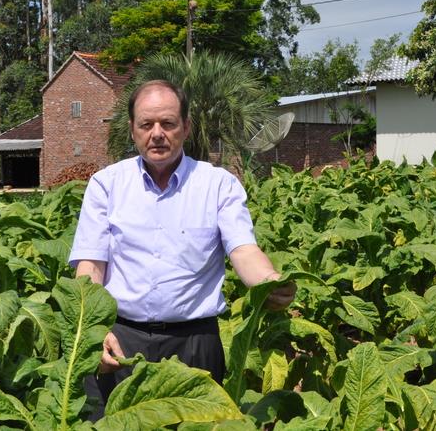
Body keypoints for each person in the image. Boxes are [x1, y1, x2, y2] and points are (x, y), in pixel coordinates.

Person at [68, 79, 296, 418]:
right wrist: (91, 331)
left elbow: (244, 250)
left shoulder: (218, 184)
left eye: (168, 123)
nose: (157, 133)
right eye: (146, 124)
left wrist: (270, 282)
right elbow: (90, 267)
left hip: (195, 346)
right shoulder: (107, 184)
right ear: (132, 130)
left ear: (186, 128)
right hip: (121, 342)